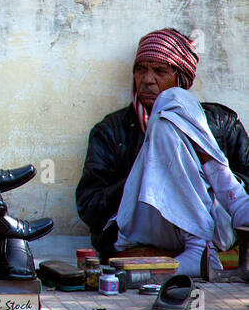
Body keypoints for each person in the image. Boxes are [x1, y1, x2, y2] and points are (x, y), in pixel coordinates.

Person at [75, 28, 249, 274]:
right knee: (166, 114)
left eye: (159, 71)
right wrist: (151, 173)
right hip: (146, 222)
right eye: (140, 69)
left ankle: (202, 238)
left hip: (214, 220)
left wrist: (197, 181)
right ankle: (231, 209)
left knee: (170, 105)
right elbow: (90, 206)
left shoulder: (222, 122)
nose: (147, 80)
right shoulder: (111, 131)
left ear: (181, 77)